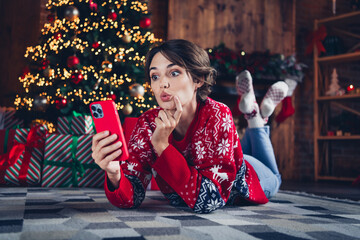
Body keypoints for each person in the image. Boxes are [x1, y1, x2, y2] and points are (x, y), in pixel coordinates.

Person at [91, 39, 288, 213]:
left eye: (174, 73)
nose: (162, 84)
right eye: (155, 76)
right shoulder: (147, 123)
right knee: (237, 152)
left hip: (251, 180)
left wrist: (162, 146)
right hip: (228, 159)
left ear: (198, 80)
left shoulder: (217, 113)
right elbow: (131, 199)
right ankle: (255, 116)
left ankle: (255, 119)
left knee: (276, 178)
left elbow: (210, 200)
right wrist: (114, 173)